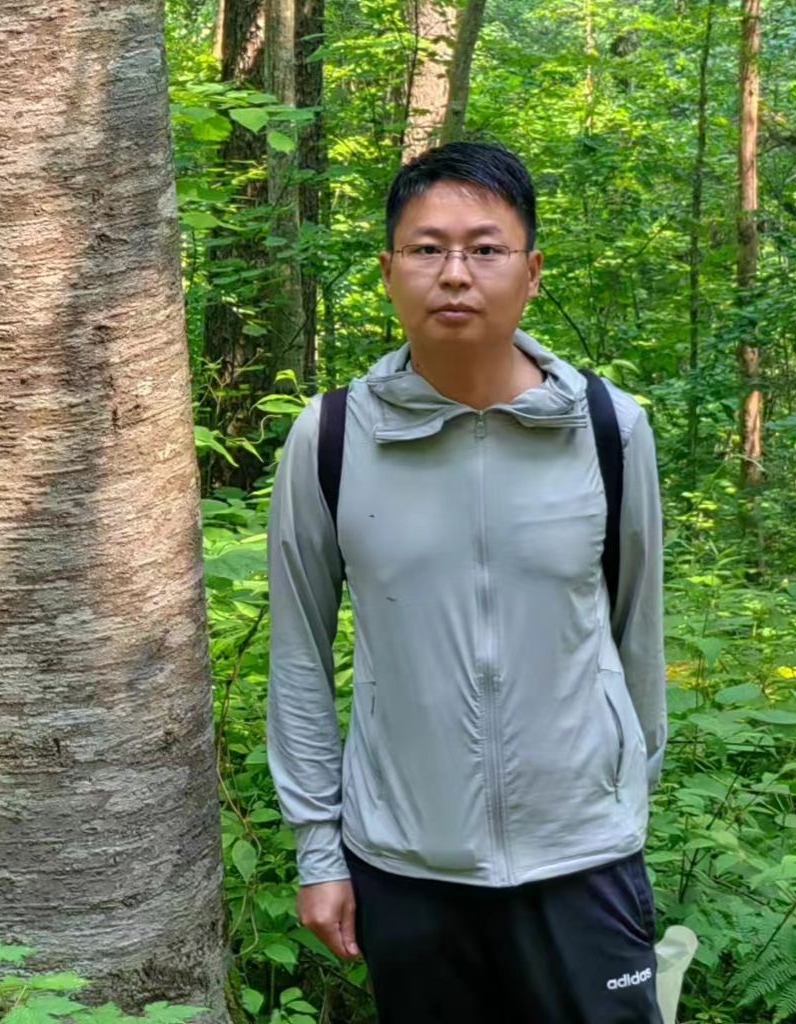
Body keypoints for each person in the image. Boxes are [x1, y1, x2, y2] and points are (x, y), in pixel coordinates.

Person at [266, 141, 667, 1024]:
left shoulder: (609, 428)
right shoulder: (330, 437)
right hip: (405, 862)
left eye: (485, 249)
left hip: (583, 860)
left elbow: (637, 631)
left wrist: (623, 808)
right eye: (427, 248)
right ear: (388, 272)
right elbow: (298, 656)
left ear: (532, 272)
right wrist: (319, 851)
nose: (455, 273)